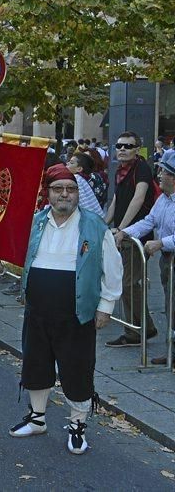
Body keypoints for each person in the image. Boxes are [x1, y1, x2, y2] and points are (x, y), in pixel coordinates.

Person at [0, 164, 121, 455]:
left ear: (77, 194)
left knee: (77, 369)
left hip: (77, 312)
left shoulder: (95, 226)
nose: (65, 195)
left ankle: (77, 427)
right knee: (36, 364)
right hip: (37, 310)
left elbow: (112, 269)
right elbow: (19, 256)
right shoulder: (34, 222)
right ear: (48, 193)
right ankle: (37, 419)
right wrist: (0, 264)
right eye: (58, 189)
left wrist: (106, 306)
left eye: (71, 189)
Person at [115, 149, 175, 366]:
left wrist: (161, 243)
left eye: (164, 173)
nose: (159, 176)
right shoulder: (163, 200)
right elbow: (148, 221)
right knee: (170, 304)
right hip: (168, 260)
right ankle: (173, 351)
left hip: (170, 254)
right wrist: (124, 231)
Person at [105, 132, 159, 347]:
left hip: (137, 236)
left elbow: (138, 199)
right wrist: (104, 223)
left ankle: (142, 329)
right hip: (123, 235)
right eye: (119, 145)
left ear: (137, 149)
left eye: (128, 146)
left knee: (129, 284)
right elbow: (117, 200)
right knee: (126, 284)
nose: (122, 149)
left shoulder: (142, 168)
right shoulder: (121, 171)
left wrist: (122, 228)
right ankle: (137, 329)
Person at [65, 152, 105, 218]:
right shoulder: (85, 178)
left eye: (71, 163)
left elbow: (83, 203)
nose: (67, 163)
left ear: (79, 169)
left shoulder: (76, 179)